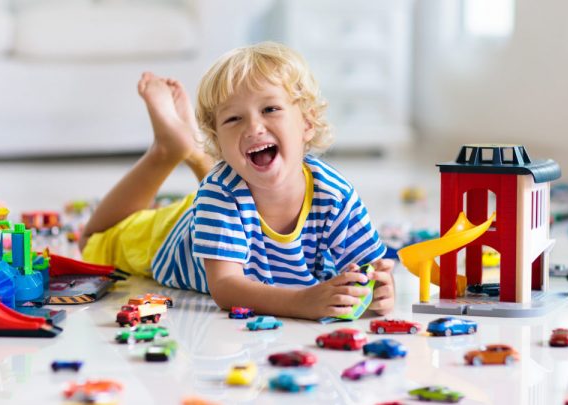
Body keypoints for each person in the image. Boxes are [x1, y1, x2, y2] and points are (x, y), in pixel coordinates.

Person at [80, 42, 394, 321]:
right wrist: (303, 302)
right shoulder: (219, 192)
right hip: (175, 235)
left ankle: (192, 149)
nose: (254, 127)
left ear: (307, 123)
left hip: (229, 207)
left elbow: (372, 268)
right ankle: (166, 151)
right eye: (233, 119)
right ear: (219, 139)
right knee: (91, 241)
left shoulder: (334, 194)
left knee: (232, 179)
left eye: (270, 109)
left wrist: (379, 290)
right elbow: (227, 288)